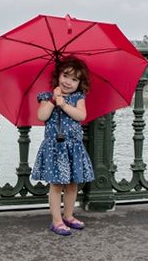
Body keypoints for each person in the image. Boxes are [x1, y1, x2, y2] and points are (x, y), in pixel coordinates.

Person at [31, 56, 95, 236]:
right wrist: (53, 101)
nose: (68, 82)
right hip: (55, 149)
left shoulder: (78, 98)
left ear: (80, 83)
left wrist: (64, 105)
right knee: (57, 185)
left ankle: (68, 216)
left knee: (73, 184)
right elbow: (42, 116)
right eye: (66, 76)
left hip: (73, 147)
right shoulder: (46, 97)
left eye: (74, 79)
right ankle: (56, 220)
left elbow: (81, 116)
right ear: (58, 76)